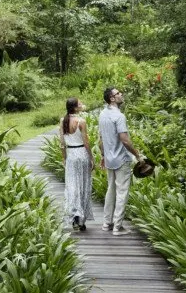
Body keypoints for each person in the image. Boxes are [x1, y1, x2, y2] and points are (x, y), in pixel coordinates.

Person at [98, 86, 142, 236]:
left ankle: (106, 223)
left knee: (111, 190)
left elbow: (100, 139)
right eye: (118, 93)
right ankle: (117, 227)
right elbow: (125, 140)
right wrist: (137, 155)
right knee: (122, 192)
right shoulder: (119, 116)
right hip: (121, 159)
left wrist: (103, 156)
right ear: (112, 98)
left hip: (110, 159)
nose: (121, 94)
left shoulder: (102, 114)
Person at [59, 96, 94, 231]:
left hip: (71, 156)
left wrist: (64, 158)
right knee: (83, 185)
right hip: (82, 154)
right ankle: (81, 219)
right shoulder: (81, 121)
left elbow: (62, 143)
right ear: (75, 107)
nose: (82, 104)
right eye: (80, 103)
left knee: (72, 186)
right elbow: (86, 142)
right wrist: (91, 158)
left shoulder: (63, 121)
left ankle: (74, 216)